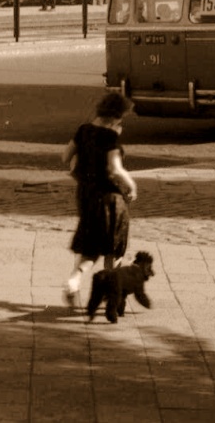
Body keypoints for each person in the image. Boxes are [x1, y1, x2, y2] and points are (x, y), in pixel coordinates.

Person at [62, 92, 138, 311]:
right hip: (109, 198)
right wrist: (131, 185)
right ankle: (110, 294)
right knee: (113, 248)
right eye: (121, 119)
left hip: (86, 195)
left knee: (90, 246)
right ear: (115, 117)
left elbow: (65, 156)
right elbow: (115, 169)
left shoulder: (83, 131)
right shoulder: (109, 138)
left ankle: (73, 281)